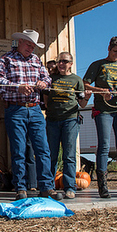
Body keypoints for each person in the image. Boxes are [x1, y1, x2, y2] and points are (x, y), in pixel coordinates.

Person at [0, 29, 62, 201]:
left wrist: (42, 83)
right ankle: (21, 187)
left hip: (35, 109)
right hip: (15, 109)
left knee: (43, 148)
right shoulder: (6, 59)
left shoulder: (37, 60)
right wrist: (18, 87)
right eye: (28, 45)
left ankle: (46, 186)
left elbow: (48, 80)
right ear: (20, 42)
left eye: (33, 46)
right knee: (19, 149)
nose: (31, 49)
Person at [83, 36, 117, 199]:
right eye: (115, 51)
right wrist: (101, 90)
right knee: (104, 145)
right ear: (109, 48)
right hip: (103, 110)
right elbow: (85, 84)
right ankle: (102, 187)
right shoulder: (98, 65)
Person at [45, 52, 86, 199]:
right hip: (52, 120)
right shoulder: (51, 79)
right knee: (51, 154)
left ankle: (70, 187)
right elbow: (45, 97)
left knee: (69, 154)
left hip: (70, 119)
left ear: (71, 64)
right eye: (59, 61)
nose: (61, 64)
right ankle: (49, 187)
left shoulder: (76, 80)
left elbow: (82, 103)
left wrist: (88, 95)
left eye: (65, 61)